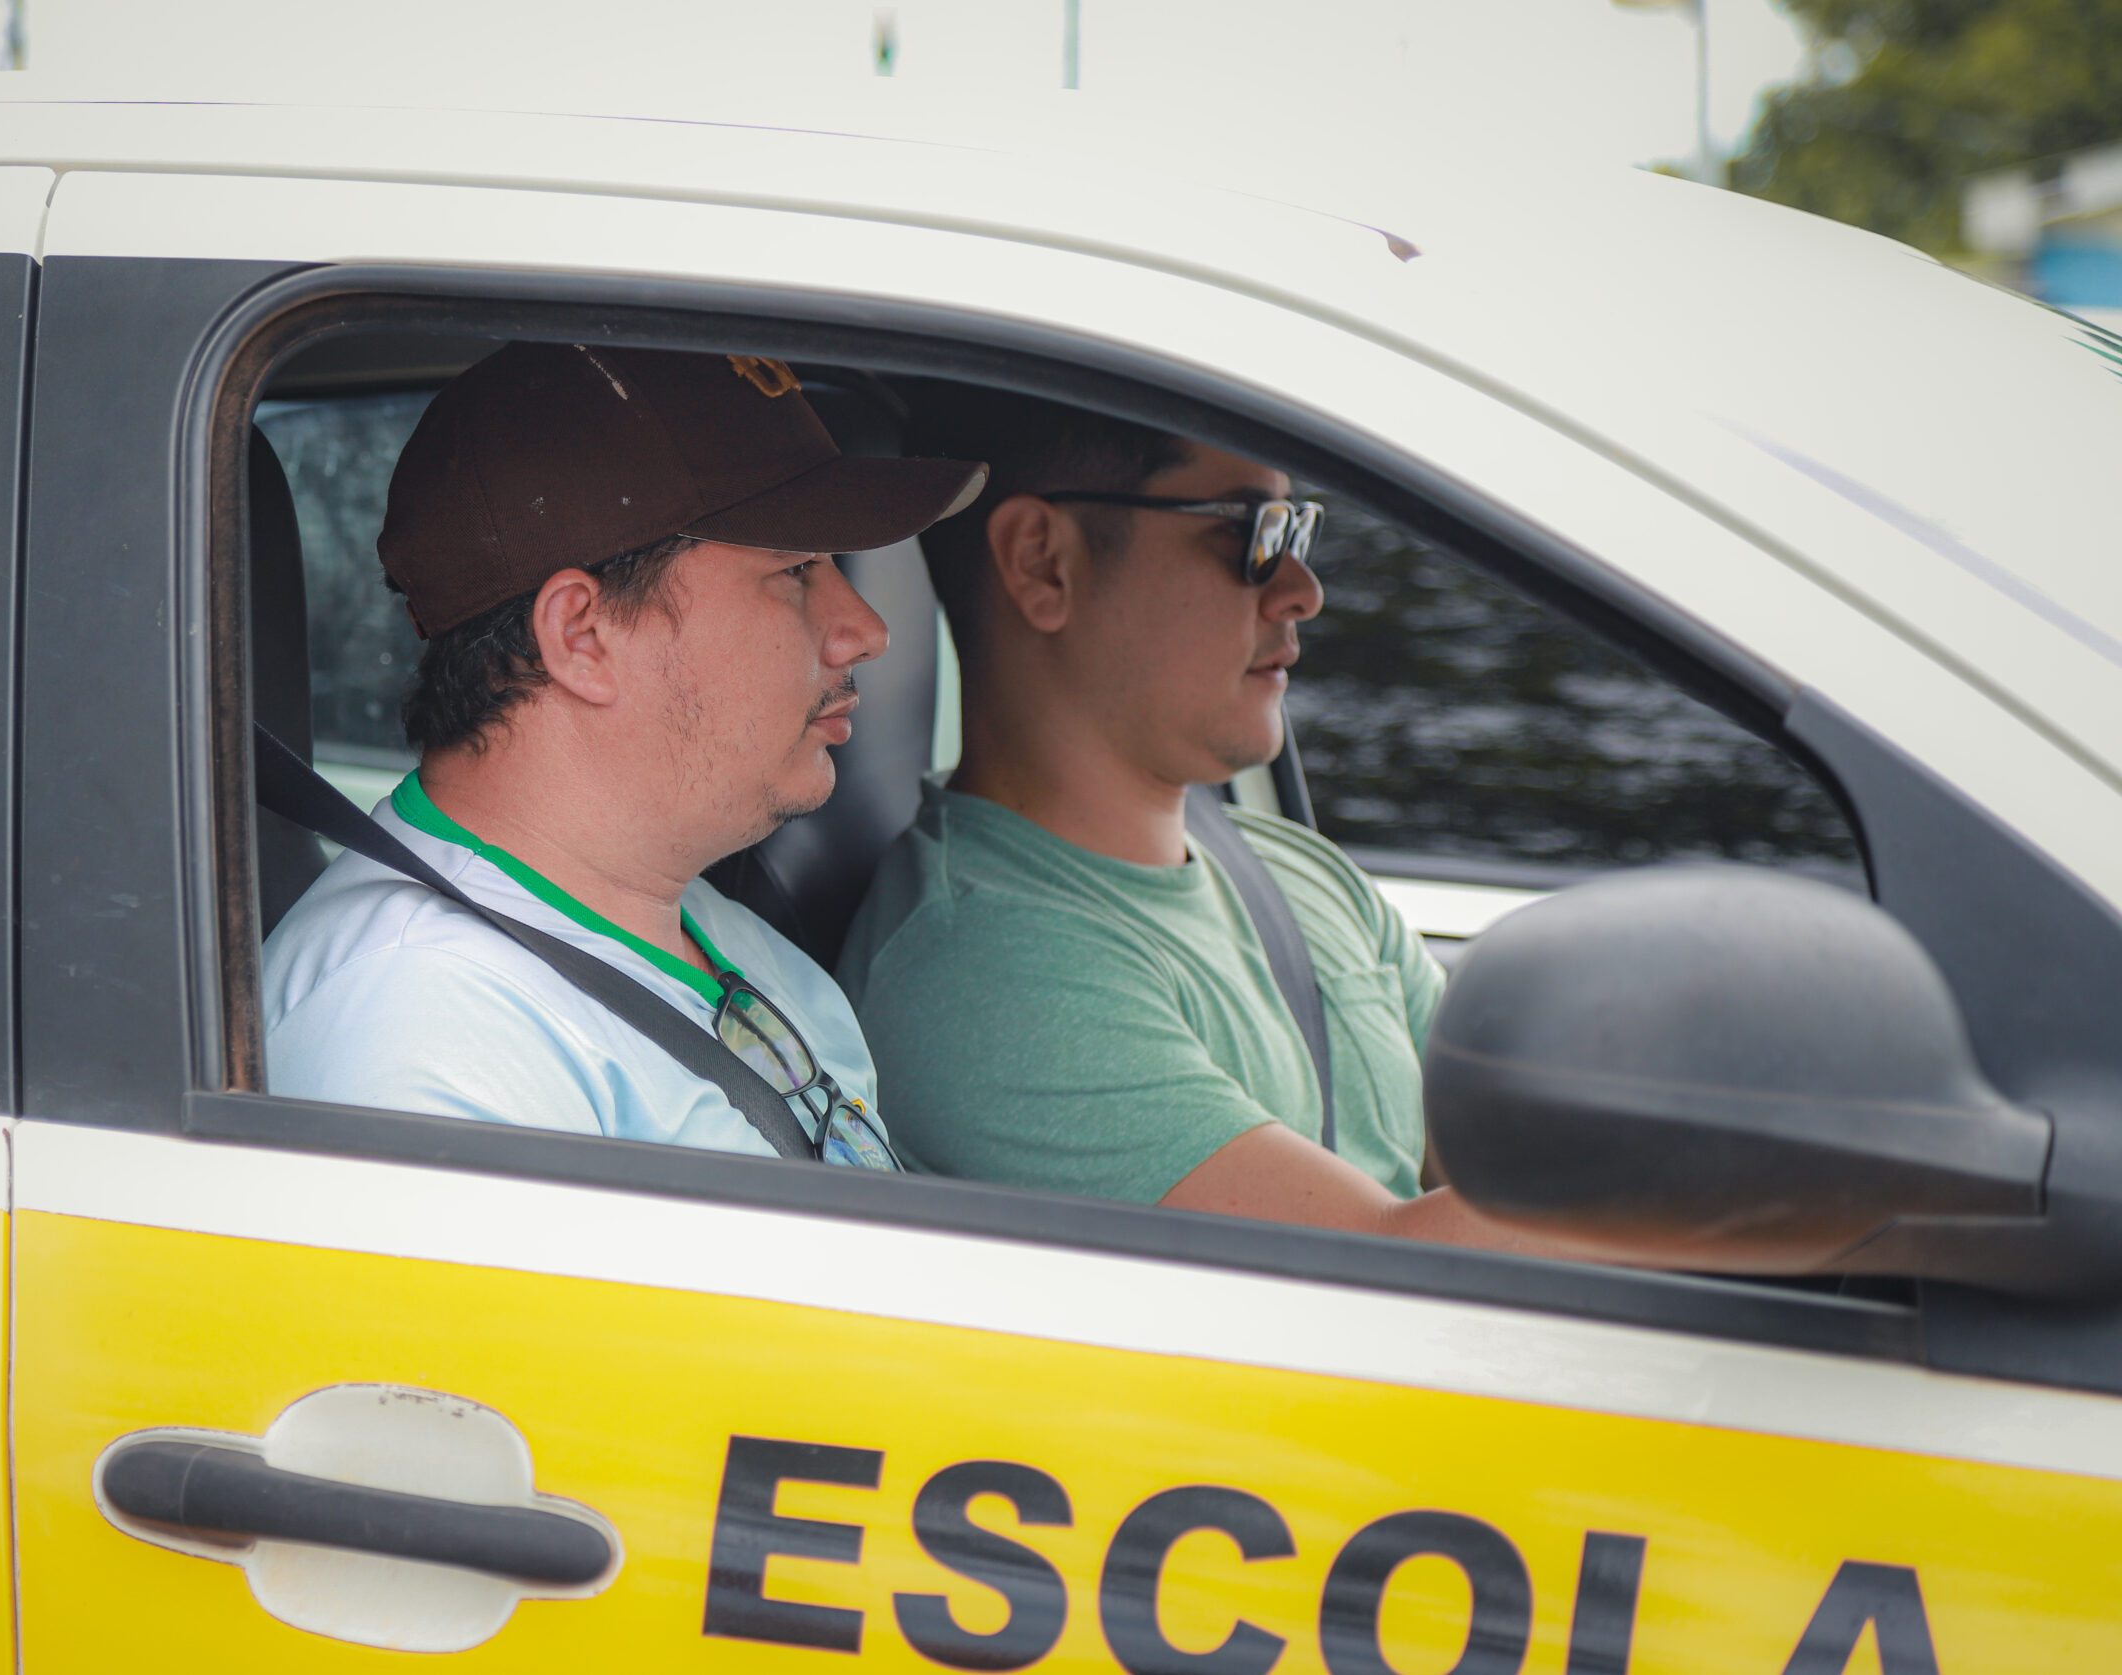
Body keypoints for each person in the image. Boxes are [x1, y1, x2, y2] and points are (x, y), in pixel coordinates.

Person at [835, 386, 1577, 1252]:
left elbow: (1511, 1149)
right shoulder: (980, 981)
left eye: (1296, 531)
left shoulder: (1300, 873)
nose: (1302, 590)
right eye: (1251, 533)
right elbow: (1391, 1269)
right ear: (1042, 563)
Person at [262, 342, 983, 1163]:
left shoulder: (714, 934)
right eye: (795, 570)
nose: (867, 630)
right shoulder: (422, 1033)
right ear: (583, 634)